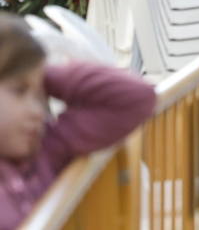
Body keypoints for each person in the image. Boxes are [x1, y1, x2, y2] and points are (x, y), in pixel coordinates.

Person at [0, 14, 156, 226]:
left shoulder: (47, 148)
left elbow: (137, 98)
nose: (37, 111)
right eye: (20, 91)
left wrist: (45, 75)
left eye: (40, 96)